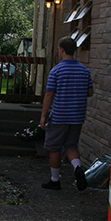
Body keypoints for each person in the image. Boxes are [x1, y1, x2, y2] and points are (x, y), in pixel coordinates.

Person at [40, 36, 94, 190]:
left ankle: (55, 180)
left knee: (54, 147)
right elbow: (90, 92)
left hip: (60, 115)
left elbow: (49, 94)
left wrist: (43, 115)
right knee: (71, 145)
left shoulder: (56, 71)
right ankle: (77, 168)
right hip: (77, 116)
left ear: (61, 50)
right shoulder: (85, 71)